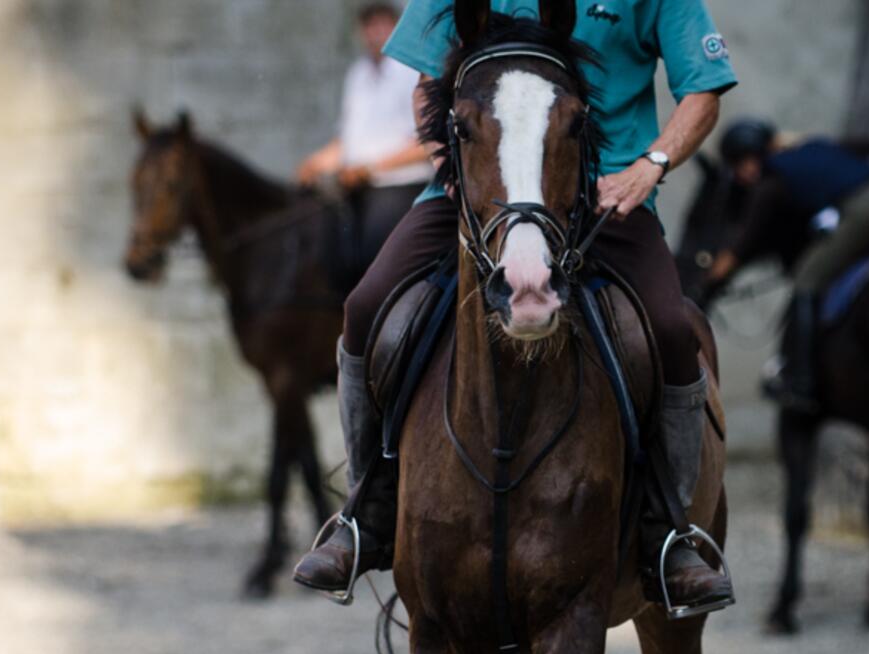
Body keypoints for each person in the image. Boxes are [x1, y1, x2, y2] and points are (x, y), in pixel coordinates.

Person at [294, 0, 739, 615]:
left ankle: (669, 534)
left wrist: (650, 165)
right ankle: (364, 513)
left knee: (669, 330)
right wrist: (450, 165)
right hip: (480, 193)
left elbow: (704, 91)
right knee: (366, 308)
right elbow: (428, 81)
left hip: (606, 195)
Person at [705, 119, 869, 412]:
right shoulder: (814, 148)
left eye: (739, 166)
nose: (742, 176)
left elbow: (740, 246)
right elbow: (865, 143)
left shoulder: (771, 182)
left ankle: (802, 379)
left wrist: (708, 282)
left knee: (808, 275)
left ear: (749, 159)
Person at [297, 4, 432, 276]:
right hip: (358, 185)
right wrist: (316, 163)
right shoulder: (358, 73)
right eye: (369, 26)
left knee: (373, 246)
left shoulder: (413, 73)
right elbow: (349, 140)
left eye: (382, 25)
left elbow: (428, 141)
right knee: (311, 227)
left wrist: (370, 169)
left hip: (402, 185)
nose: (375, 34)